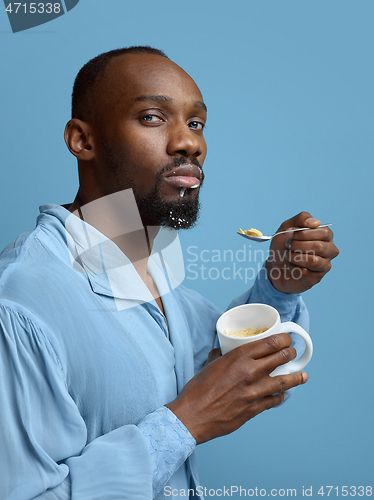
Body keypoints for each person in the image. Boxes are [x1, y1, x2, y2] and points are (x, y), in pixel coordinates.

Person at [0, 46, 339, 499]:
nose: (189, 143)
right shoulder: (21, 306)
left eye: (196, 123)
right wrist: (183, 425)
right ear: (83, 141)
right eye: (152, 117)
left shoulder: (153, 270)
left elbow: (224, 370)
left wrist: (279, 283)